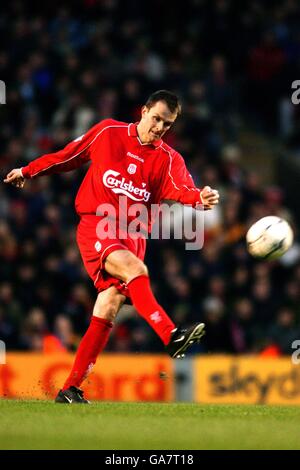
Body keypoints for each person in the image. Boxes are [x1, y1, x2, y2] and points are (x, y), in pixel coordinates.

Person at [4, 90, 219, 404]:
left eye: (167, 124)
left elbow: (181, 189)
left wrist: (199, 198)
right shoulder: (108, 132)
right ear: (143, 111)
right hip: (98, 225)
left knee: (109, 305)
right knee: (136, 270)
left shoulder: (169, 159)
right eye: (156, 118)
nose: (160, 127)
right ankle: (170, 334)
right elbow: (68, 156)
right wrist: (28, 170)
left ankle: (69, 389)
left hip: (133, 236)